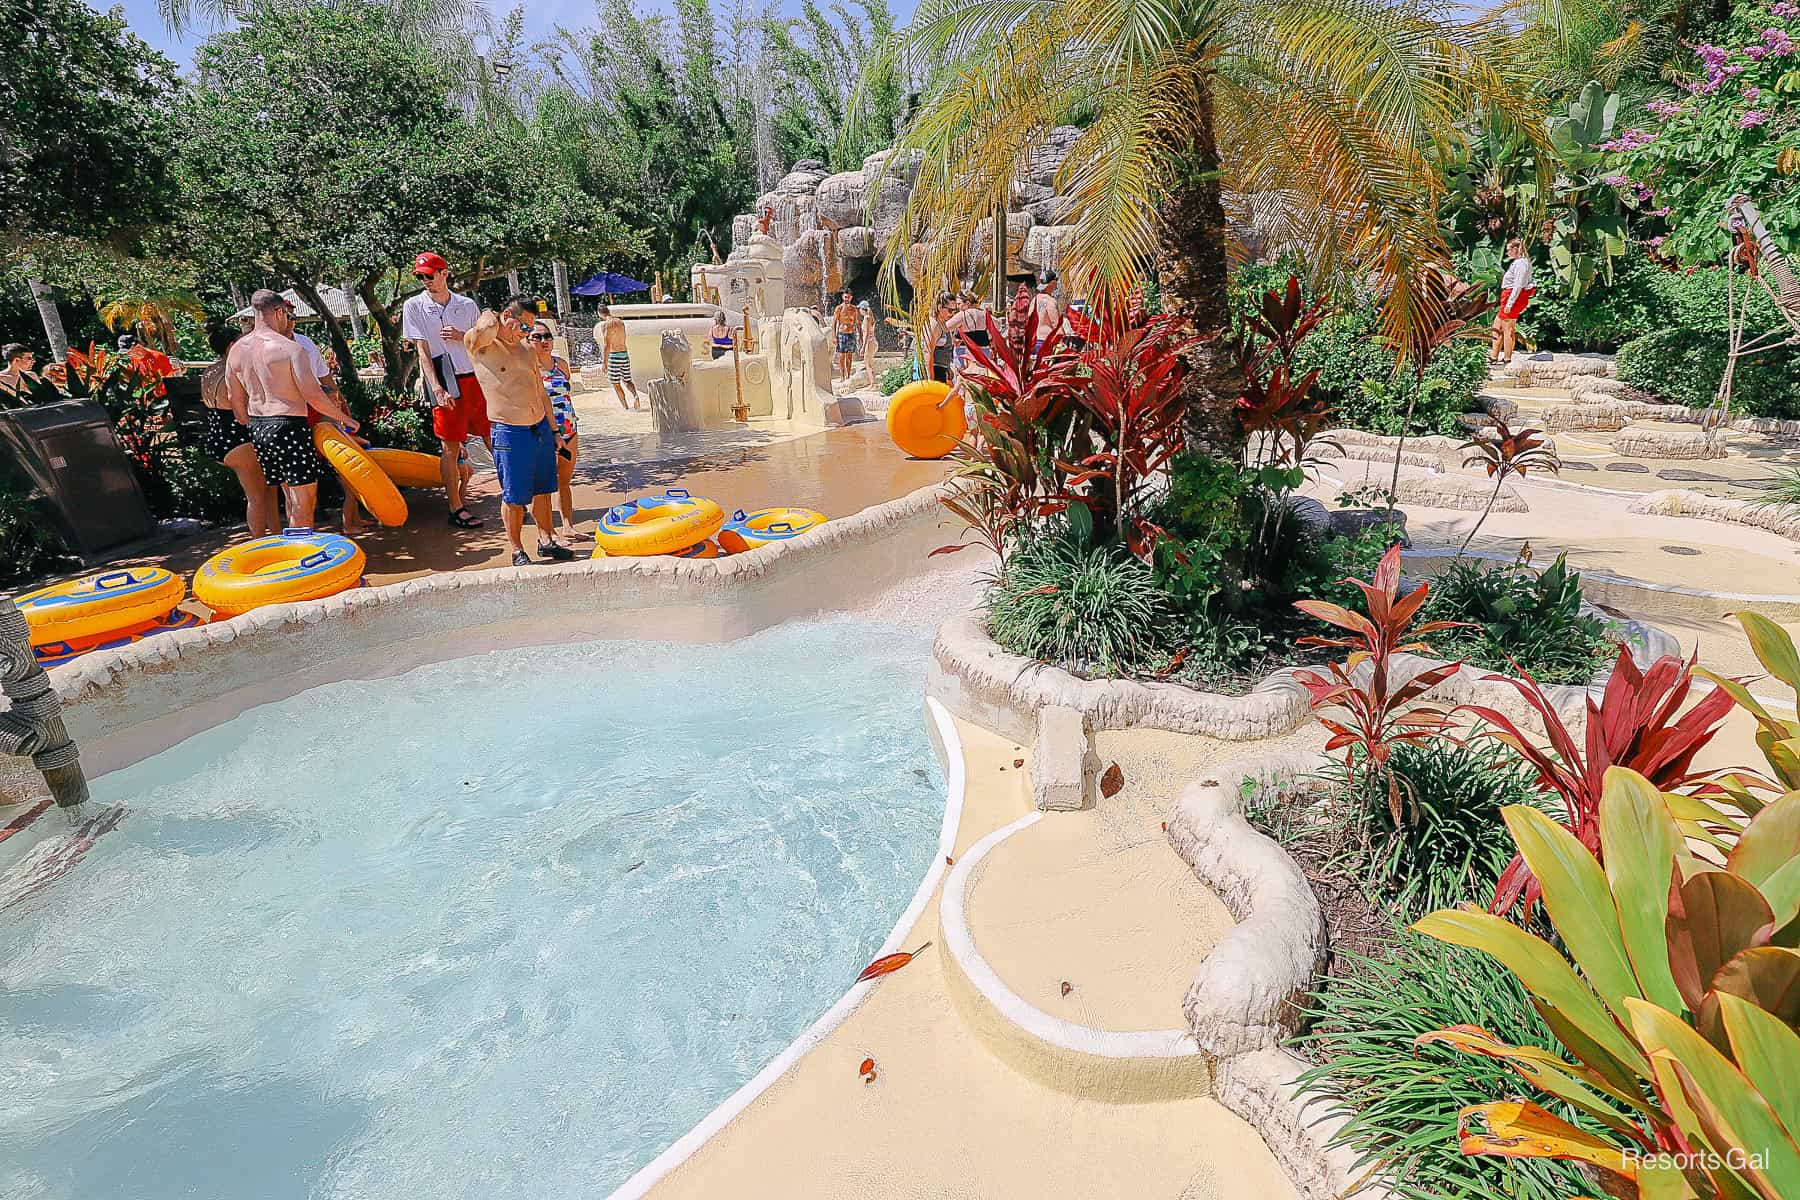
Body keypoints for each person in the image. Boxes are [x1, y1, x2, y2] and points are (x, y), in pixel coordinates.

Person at [225, 289, 358, 531]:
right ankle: (302, 559)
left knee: (290, 496)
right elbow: (312, 394)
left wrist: (247, 421)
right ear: (278, 312)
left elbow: (235, 397)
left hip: (258, 428)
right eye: (286, 314)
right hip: (289, 425)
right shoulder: (289, 349)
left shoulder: (237, 350)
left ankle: (293, 551)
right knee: (303, 500)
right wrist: (344, 418)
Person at [467, 298, 574, 566]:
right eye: (524, 326)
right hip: (509, 430)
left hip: (538, 427)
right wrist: (490, 313)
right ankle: (517, 550)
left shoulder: (526, 350)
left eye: (530, 328)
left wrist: (554, 431)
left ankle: (546, 540)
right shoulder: (482, 346)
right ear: (505, 316)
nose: (527, 333)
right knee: (514, 496)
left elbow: (541, 393)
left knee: (543, 490)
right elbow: (484, 328)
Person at [402, 250, 487, 528]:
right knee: (449, 446)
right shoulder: (413, 306)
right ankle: (455, 506)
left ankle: (514, 496)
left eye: (429, 275)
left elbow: (483, 344)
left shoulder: (466, 304)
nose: (425, 280)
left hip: (473, 378)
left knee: (492, 437)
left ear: (443, 273)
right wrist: (436, 388)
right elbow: (422, 351)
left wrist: (463, 337)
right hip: (444, 380)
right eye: (421, 276)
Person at [200, 325, 277, 536]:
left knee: (269, 488)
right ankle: (259, 545)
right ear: (233, 345)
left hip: (217, 438)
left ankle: (277, 537)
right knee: (257, 496)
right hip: (238, 439)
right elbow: (246, 409)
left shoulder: (209, 371)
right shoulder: (234, 371)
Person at [289, 324, 365, 535]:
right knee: (343, 490)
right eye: (334, 401)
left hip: (336, 458)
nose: (337, 404)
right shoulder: (328, 421)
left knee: (349, 489)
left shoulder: (334, 421)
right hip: (334, 461)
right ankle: (348, 524)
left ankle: (352, 521)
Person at [532, 318, 587, 542]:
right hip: (544, 432)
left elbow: (565, 395)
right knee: (544, 484)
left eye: (547, 336)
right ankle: (547, 533)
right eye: (537, 337)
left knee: (564, 481)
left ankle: (567, 525)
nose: (544, 341)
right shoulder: (528, 369)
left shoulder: (561, 365)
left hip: (569, 429)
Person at [1490, 238, 1536, 366]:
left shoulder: (1521, 263)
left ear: (1516, 249)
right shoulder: (1519, 262)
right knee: (1496, 327)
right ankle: (1494, 356)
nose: (1507, 252)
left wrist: (1510, 303)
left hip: (1512, 297)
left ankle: (1507, 358)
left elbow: (1518, 285)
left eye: (1509, 249)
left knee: (1508, 328)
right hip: (1508, 296)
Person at [598, 303, 641, 410]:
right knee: (627, 380)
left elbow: (607, 345)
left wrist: (604, 363)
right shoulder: (620, 322)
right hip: (624, 354)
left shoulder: (605, 325)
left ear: (599, 313)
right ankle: (635, 396)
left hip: (614, 356)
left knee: (616, 383)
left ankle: (626, 408)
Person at [923, 296, 956, 385]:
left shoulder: (942, 323)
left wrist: (948, 368)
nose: (952, 314)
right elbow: (927, 352)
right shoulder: (934, 324)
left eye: (954, 311)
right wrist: (931, 379)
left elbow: (945, 349)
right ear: (940, 307)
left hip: (941, 369)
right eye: (950, 310)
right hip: (934, 370)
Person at [1031, 274, 1065, 349]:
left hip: (1034, 341)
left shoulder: (1035, 299)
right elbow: (1056, 324)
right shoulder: (1050, 301)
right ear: (1052, 283)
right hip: (1046, 341)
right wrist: (1063, 342)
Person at [832, 290, 860, 379]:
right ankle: (842, 376)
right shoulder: (839, 308)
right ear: (842, 297)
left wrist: (860, 336)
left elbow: (857, 323)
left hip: (851, 333)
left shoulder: (854, 309)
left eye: (848, 297)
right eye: (845, 297)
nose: (847, 299)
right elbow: (834, 323)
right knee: (841, 356)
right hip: (842, 333)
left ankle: (848, 375)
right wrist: (834, 336)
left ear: (851, 297)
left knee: (849, 356)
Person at [858, 301, 877, 377]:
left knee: (867, 364)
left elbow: (866, 334)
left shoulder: (866, 318)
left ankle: (872, 384)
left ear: (863, 309)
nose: (859, 310)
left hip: (869, 343)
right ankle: (873, 383)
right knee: (870, 364)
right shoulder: (871, 318)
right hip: (874, 342)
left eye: (860, 308)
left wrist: (863, 347)